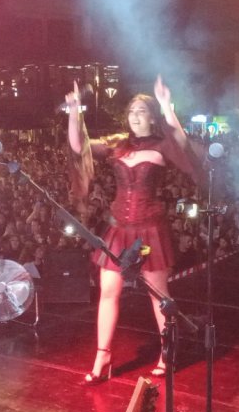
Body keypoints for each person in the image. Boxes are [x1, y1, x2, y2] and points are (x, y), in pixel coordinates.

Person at [67, 76, 200, 384]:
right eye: (131, 111)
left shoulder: (163, 146)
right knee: (108, 292)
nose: (135, 116)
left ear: (152, 117)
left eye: (141, 111)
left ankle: (168, 353)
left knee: (158, 297)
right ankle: (103, 356)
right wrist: (74, 109)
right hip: (118, 229)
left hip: (150, 229)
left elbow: (181, 142)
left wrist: (166, 104)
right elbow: (79, 146)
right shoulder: (117, 144)